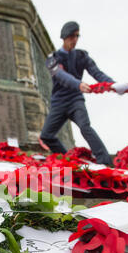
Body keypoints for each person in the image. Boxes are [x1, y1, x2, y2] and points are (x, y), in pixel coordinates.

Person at [40, 21, 115, 165]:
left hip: (75, 100)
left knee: (85, 127)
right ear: (64, 37)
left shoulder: (82, 56)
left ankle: (105, 162)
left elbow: (97, 73)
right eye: (71, 37)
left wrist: (113, 85)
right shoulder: (52, 59)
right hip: (59, 102)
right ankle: (69, 161)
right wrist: (78, 84)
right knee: (46, 136)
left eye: (76, 36)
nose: (74, 40)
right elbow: (61, 76)